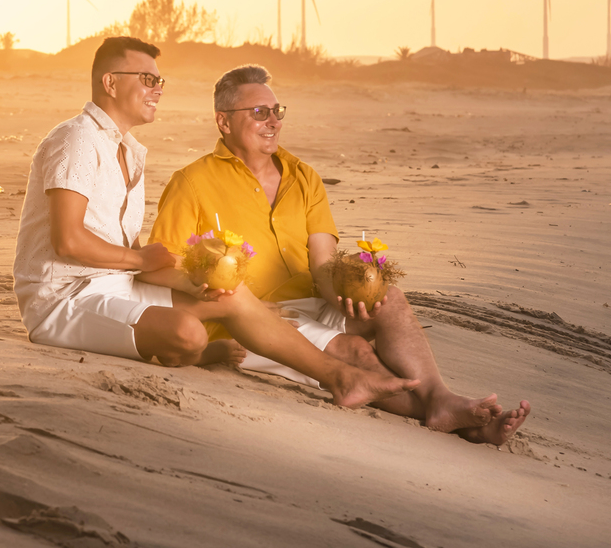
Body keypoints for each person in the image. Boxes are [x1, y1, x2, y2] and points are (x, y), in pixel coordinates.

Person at [12, 37, 420, 408]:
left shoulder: (128, 150)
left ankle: (341, 378)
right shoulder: (77, 140)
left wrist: (194, 277)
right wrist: (142, 261)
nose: (157, 89)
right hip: (66, 298)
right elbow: (67, 241)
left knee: (228, 293)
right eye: (147, 78)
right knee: (188, 332)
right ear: (111, 83)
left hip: (116, 285)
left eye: (160, 81)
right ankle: (199, 353)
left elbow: (121, 247)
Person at [148, 64, 530, 444]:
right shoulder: (192, 182)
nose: (273, 122)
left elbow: (323, 266)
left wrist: (349, 297)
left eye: (277, 112)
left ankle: (441, 399)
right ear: (224, 122)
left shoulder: (304, 177)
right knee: (356, 350)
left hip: (311, 302)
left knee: (391, 300)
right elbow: (164, 264)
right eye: (259, 112)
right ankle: (465, 425)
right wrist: (224, 296)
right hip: (256, 319)